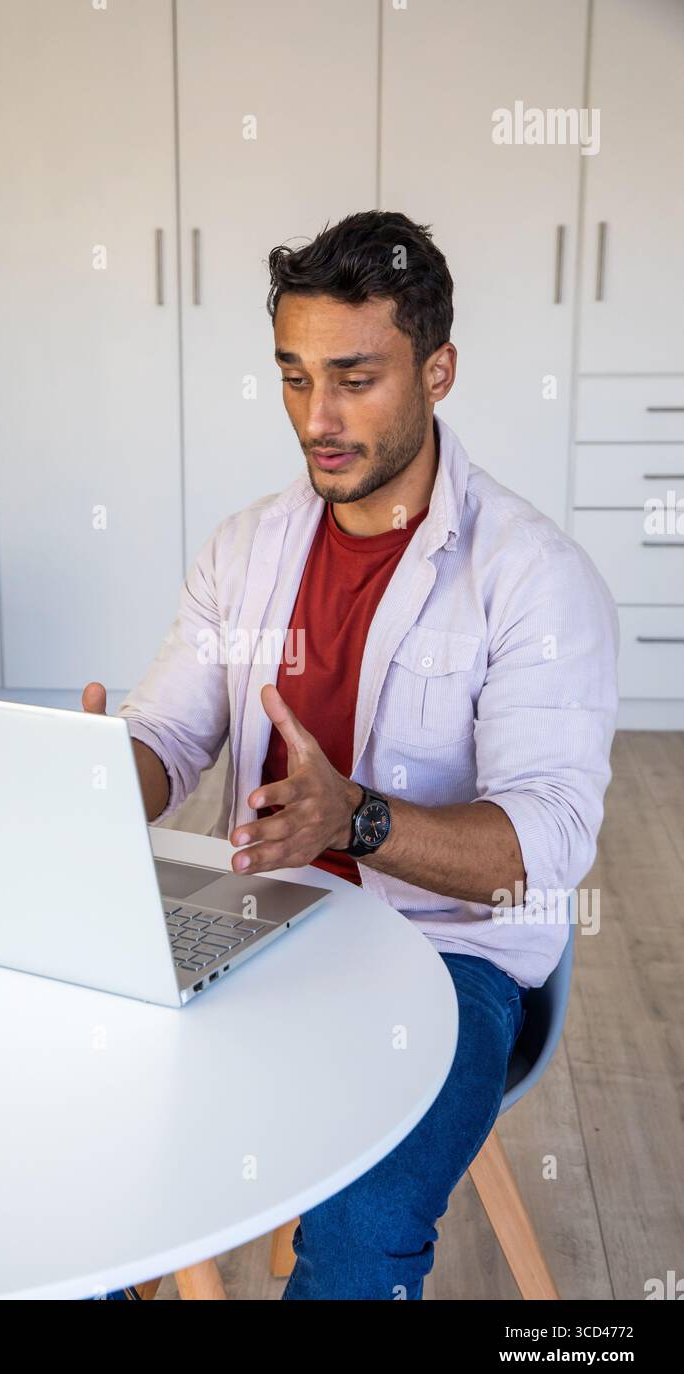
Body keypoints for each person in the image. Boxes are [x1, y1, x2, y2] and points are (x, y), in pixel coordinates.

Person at [83, 210, 618, 1300]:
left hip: (445, 957)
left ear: (438, 369)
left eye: (352, 378)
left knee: (361, 1224)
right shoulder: (245, 548)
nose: (314, 419)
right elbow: (169, 733)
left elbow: (545, 847)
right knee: (71, 1153)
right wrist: (92, 774)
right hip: (256, 922)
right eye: (291, 377)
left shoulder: (531, 578)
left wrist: (356, 818)